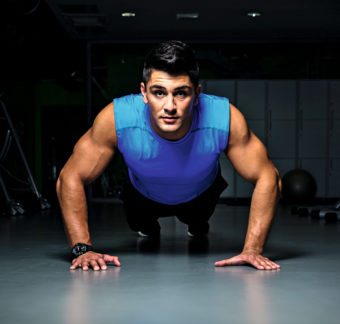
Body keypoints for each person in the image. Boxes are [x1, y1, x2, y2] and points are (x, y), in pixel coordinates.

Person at [56, 40, 282, 272]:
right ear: (144, 92)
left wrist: (253, 250)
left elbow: (268, 176)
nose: (170, 106)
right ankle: (150, 226)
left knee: (198, 224)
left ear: (196, 95)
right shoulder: (116, 118)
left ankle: (197, 224)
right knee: (144, 228)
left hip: (200, 195)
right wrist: (82, 249)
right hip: (141, 194)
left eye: (181, 93)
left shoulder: (224, 118)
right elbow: (70, 176)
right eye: (159, 93)